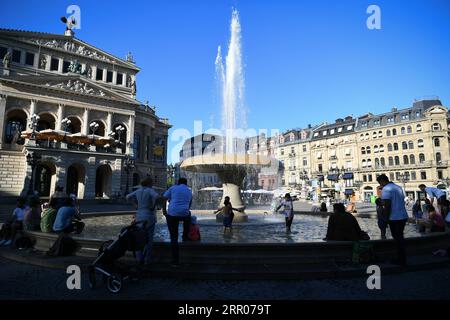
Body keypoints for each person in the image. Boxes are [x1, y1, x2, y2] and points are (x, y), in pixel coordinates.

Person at [126, 177, 160, 265]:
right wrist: (153, 206)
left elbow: (127, 197)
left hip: (139, 215)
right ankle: (146, 259)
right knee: (149, 238)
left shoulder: (138, 191)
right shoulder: (150, 190)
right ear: (150, 183)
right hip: (149, 215)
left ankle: (139, 258)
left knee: (139, 237)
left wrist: (135, 205)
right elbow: (157, 197)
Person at [378, 174, 409, 266]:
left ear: (383, 181)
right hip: (403, 216)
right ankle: (402, 258)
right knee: (400, 237)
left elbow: (387, 205)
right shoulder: (399, 187)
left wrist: (386, 218)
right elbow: (402, 199)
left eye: (380, 183)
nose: (380, 185)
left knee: (397, 238)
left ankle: (401, 260)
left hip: (394, 217)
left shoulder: (386, 189)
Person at [162, 178, 193, 266]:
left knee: (174, 237)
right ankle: (185, 235)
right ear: (186, 183)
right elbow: (190, 204)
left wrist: (164, 211)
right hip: (184, 214)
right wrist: (185, 210)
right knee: (188, 215)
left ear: (178, 183)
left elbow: (164, 198)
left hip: (172, 214)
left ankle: (175, 261)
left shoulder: (173, 188)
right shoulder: (189, 191)